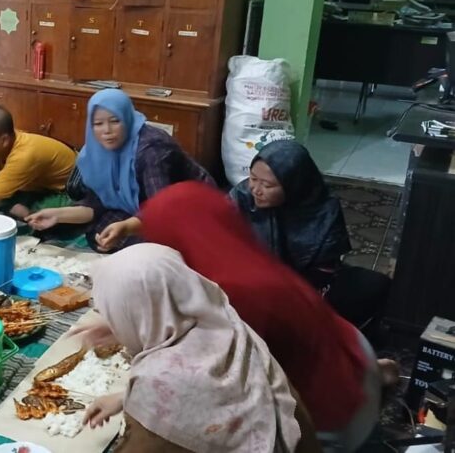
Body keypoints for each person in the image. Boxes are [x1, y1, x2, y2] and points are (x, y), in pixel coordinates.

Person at [134, 182, 391, 451]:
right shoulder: (230, 253)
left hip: (333, 404)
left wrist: (135, 393)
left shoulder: (236, 290)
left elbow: (216, 384)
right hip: (350, 354)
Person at [76, 244, 321, 453]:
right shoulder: (220, 318)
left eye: (112, 310)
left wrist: (137, 400)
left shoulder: (161, 383)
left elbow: (150, 437)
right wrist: (124, 395)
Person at [229, 140, 391, 333]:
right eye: (253, 178)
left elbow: (323, 273)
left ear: (293, 185)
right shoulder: (241, 197)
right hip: (248, 283)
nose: (255, 189)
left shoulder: (323, 210)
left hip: (302, 289)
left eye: (267, 185)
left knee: (374, 285)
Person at [25, 89, 212, 253]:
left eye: (115, 121)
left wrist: (126, 227)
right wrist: (57, 215)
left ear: (127, 118)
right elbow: (97, 204)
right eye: (98, 124)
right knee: (99, 229)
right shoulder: (97, 151)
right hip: (141, 205)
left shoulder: (152, 150)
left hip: (189, 209)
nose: (107, 131)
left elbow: (162, 210)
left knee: (145, 247)